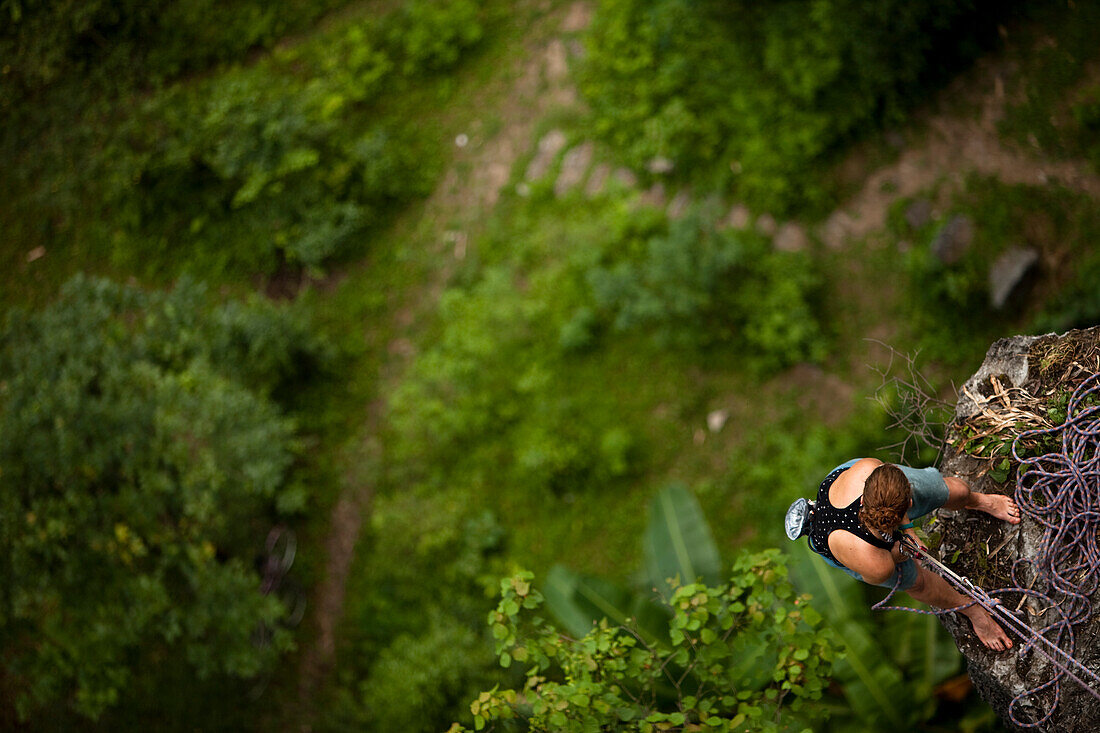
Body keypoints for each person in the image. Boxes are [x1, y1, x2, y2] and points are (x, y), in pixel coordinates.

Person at [806, 458, 1020, 651]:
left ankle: (978, 501)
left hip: (869, 489)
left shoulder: (869, 469)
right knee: (917, 583)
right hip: (848, 538)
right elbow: (888, 563)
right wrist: (901, 551)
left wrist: (908, 530)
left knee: (954, 491)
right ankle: (971, 610)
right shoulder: (871, 561)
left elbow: (891, 493)